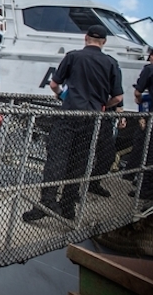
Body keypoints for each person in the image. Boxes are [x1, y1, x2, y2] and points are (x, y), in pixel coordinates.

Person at [22, 24, 123, 222]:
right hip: (92, 118)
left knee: (56, 159)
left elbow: (54, 84)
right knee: (79, 163)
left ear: (86, 38)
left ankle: (47, 201)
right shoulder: (111, 63)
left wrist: (63, 97)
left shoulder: (73, 56)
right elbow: (118, 98)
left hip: (70, 114)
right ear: (104, 42)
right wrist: (103, 106)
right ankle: (68, 207)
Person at [130, 50, 153, 200]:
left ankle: (145, 191)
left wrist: (138, 100)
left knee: (149, 154)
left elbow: (138, 92)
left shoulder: (149, 69)